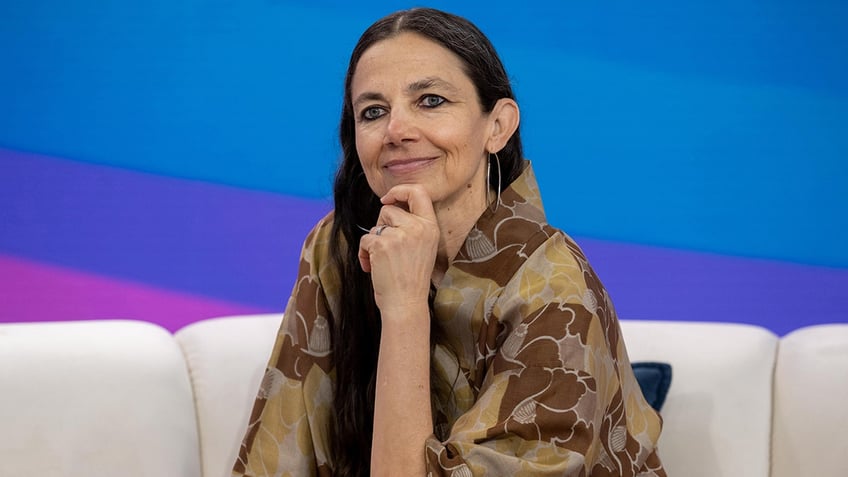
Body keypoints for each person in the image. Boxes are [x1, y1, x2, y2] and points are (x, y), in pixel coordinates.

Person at [232, 7, 665, 477]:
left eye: (431, 101)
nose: (397, 131)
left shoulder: (554, 289)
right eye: (373, 112)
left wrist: (404, 307)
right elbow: (277, 457)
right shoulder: (337, 248)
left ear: (497, 126)